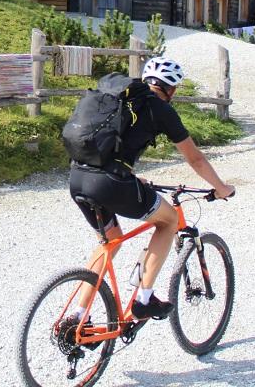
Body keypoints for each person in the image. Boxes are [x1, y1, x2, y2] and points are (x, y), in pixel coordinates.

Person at [68, 57, 235, 321]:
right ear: (172, 89)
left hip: (78, 177)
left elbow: (112, 145)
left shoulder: (120, 99)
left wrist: (131, 177)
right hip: (110, 183)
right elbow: (196, 159)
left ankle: (77, 316)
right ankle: (144, 299)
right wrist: (221, 187)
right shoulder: (159, 108)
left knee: (110, 241)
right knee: (169, 221)